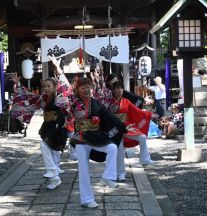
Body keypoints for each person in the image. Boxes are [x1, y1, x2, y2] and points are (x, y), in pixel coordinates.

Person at [49, 55, 133, 209]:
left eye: (88, 87)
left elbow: (108, 116)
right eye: (83, 87)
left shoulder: (96, 103)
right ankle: (87, 199)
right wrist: (58, 68)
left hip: (96, 136)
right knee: (83, 169)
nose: (86, 90)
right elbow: (64, 86)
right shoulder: (74, 100)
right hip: (81, 139)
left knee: (113, 147)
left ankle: (107, 177)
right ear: (78, 89)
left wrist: (123, 127)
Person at [11, 74, 67, 190]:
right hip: (47, 126)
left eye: (49, 86)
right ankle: (54, 178)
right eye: (45, 86)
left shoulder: (59, 97)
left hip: (57, 127)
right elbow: (28, 97)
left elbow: (66, 109)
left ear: (55, 87)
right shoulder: (43, 98)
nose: (46, 88)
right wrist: (19, 84)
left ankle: (53, 171)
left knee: (44, 145)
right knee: (48, 148)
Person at [108, 81, 154, 180]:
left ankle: (145, 159)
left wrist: (149, 114)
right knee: (119, 149)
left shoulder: (126, 101)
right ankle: (120, 174)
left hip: (126, 127)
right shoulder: (108, 102)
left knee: (142, 137)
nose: (119, 90)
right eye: (117, 88)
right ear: (113, 90)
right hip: (115, 128)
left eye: (121, 88)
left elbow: (137, 111)